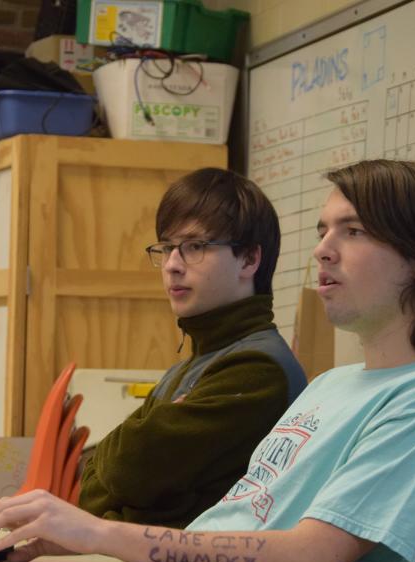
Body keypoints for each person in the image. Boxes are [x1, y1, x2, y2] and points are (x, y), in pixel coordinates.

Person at [0, 159, 415, 562]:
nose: (323, 249)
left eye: (353, 231)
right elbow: (235, 525)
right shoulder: (334, 385)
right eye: (322, 231)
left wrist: (100, 535)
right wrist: (74, 543)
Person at [76, 167, 308, 528]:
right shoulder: (191, 366)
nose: (171, 265)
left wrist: (123, 482)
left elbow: (130, 470)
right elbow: (88, 480)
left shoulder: (258, 369)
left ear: (249, 259)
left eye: (195, 247)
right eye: (167, 248)